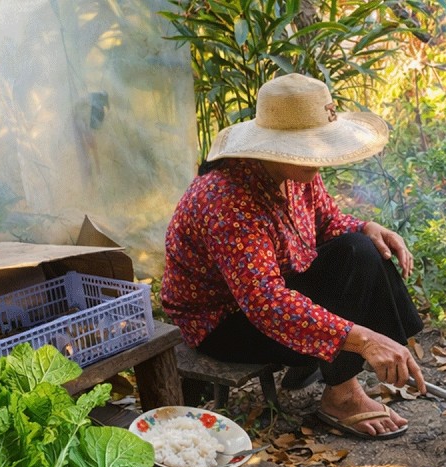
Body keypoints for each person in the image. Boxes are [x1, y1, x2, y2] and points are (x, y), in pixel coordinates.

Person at [162, 73, 425, 439]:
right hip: (223, 322)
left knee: (359, 248)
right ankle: (342, 395)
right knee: (352, 302)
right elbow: (266, 302)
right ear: (272, 146)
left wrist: (366, 226)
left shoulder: (297, 169)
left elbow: (327, 222)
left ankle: (335, 369)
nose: (318, 158)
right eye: (306, 146)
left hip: (274, 292)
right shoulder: (227, 199)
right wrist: (363, 339)